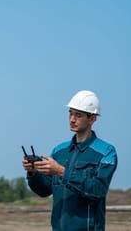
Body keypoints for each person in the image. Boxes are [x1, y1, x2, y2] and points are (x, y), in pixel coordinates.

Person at [22, 90, 117, 231]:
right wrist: (33, 173)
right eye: (70, 113)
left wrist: (61, 172)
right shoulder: (59, 151)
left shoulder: (106, 152)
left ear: (92, 118)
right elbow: (44, 191)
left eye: (78, 115)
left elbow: (98, 190)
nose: (72, 119)